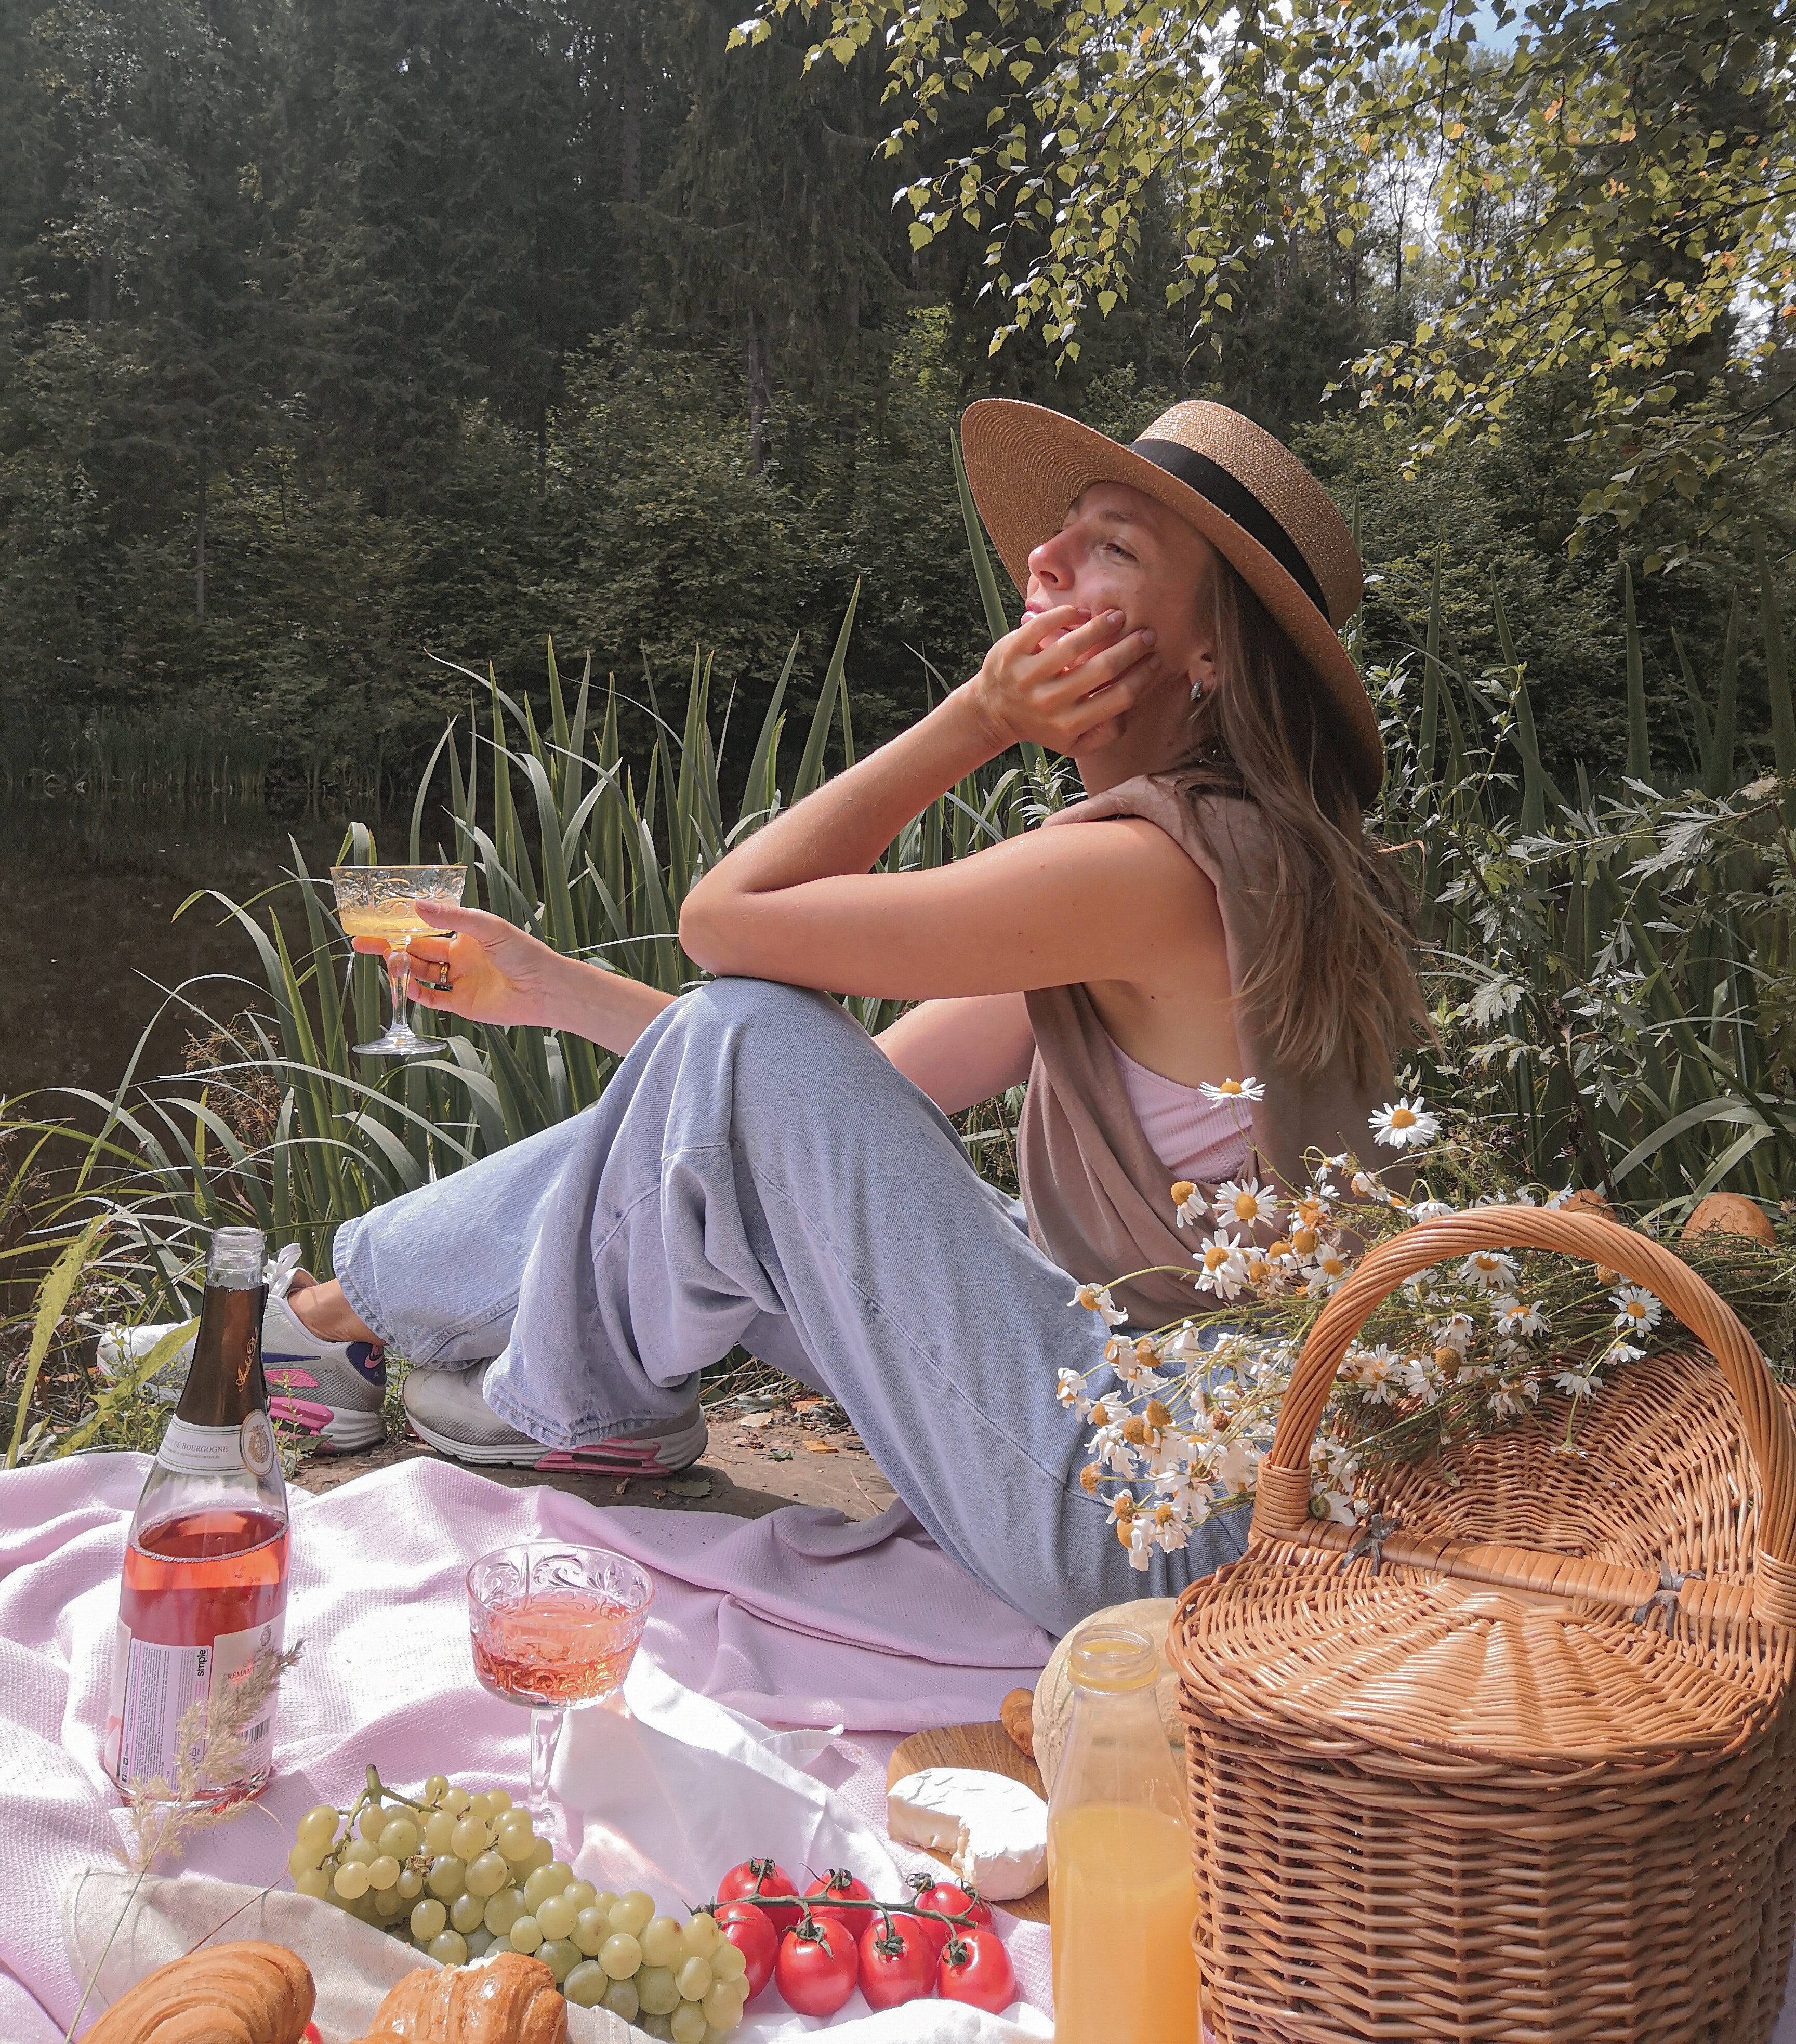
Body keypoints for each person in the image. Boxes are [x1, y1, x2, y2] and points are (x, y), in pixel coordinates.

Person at [245, 399, 1428, 1633]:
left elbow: (727, 921)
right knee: (736, 1056)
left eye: (1114, 549)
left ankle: (461, 1377)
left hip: (1140, 1501)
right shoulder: (1228, 854)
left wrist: (980, 719)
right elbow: (830, 1107)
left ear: (1213, 656)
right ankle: (338, 1324)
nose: (1043, 561)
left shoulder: (1147, 871)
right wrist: (549, 988)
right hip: (1175, 1453)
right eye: (1059, 537)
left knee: (741, 1036)